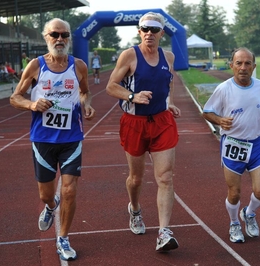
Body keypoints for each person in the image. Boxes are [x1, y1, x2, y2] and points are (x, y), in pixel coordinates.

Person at [10, 18, 95, 261]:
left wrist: (86, 105)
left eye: (64, 35)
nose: (60, 39)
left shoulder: (79, 66)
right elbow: (15, 97)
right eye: (55, 34)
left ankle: (63, 237)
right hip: (43, 139)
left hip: (72, 137)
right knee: (46, 195)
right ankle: (50, 206)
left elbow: (85, 91)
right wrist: (32, 103)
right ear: (46, 37)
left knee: (69, 190)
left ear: (69, 38)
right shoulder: (36, 66)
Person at [106, 11, 181, 252]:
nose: (149, 33)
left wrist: (169, 102)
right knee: (136, 179)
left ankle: (163, 232)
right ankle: (135, 209)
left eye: (154, 29)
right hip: (134, 122)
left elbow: (169, 80)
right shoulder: (129, 55)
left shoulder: (168, 56)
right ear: (139, 32)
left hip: (162, 121)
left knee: (165, 177)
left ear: (162, 33)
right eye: (145, 29)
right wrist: (132, 96)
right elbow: (111, 86)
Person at [202, 47, 260, 243]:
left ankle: (249, 213)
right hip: (233, 145)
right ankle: (234, 222)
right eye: (238, 63)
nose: (243, 67)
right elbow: (207, 112)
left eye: (247, 63)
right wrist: (219, 121)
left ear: (254, 66)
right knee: (234, 193)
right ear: (231, 65)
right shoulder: (224, 89)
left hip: (257, 144)